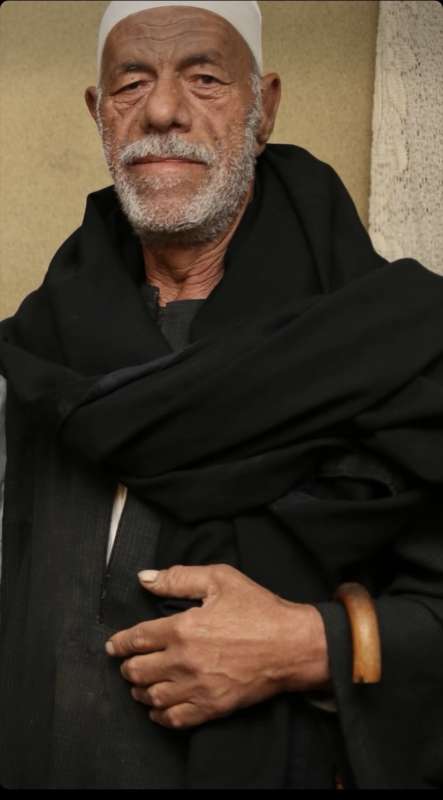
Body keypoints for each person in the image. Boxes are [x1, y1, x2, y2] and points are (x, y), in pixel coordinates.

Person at [1, 0, 443, 790]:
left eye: (204, 78)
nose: (162, 111)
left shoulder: (399, 344)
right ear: (99, 113)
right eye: (131, 83)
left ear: (263, 107)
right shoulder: (34, 357)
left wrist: (315, 645)